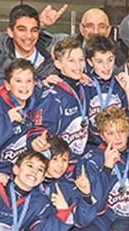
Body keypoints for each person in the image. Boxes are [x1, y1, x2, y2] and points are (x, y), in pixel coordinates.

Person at [39, 37, 91, 168]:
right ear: (58, 64)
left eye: (81, 60)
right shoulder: (53, 96)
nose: (78, 66)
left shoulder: (84, 87)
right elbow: (44, 137)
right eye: (71, 61)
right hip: (59, 165)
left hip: (78, 162)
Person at [84, 35, 129, 143]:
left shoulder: (121, 84)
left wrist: (128, 92)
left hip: (118, 144)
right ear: (90, 62)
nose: (106, 66)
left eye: (110, 60)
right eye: (99, 61)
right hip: (92, 147)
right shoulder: (84, 84)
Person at [2, 4, 56, 78]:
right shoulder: (0, 61)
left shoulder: (52, 63)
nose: (29, 36)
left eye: (34, 30)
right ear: (10, 32)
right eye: (22, 30)